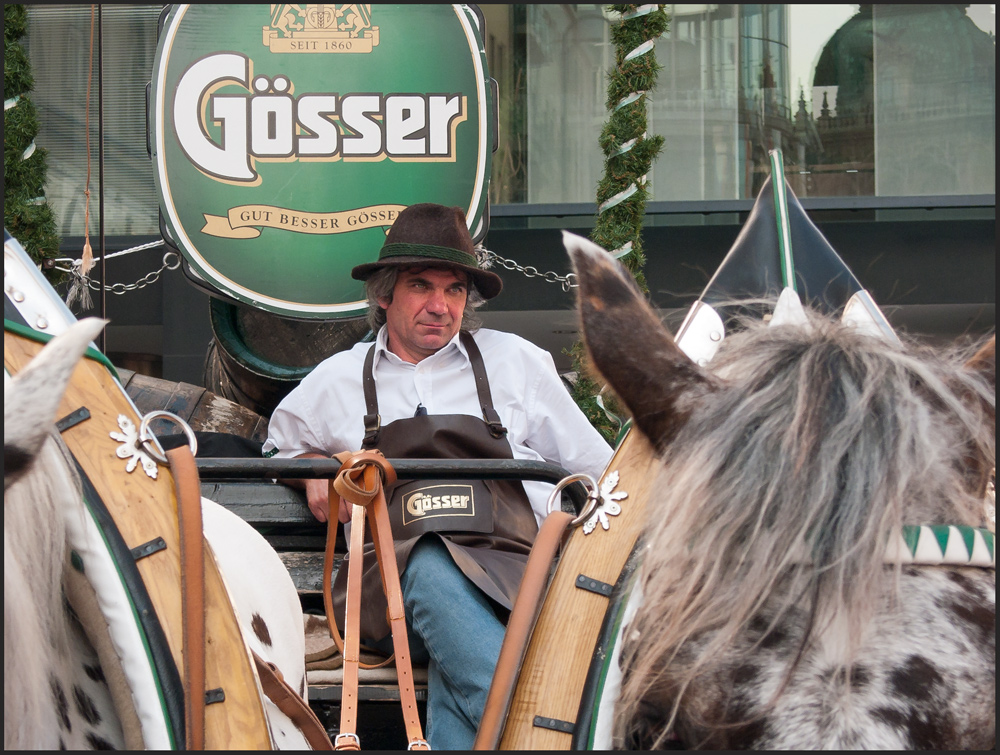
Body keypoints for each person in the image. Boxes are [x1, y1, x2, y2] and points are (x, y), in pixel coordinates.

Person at [263, 202, 613, 749]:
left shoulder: (514, 362)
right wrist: (311, 471)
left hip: (511, 576)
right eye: (421, 286)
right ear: (384, 294)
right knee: (427, 558)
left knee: (457, 672)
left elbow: (597, 471)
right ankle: (535, 728)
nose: (440, 306)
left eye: (454, 291)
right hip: (392, 587)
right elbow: (279, 450)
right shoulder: (337, 379)